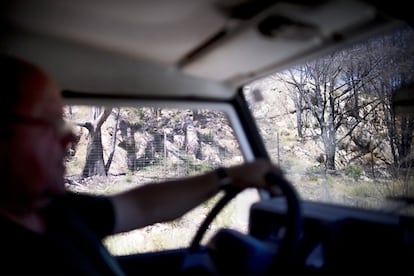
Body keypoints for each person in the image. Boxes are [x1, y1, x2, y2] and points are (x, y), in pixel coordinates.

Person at [0, 55, 285, 274]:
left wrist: (228, 176)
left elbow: (141, 206)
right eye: (51, 122)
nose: (72, 137)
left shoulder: (55, 210)